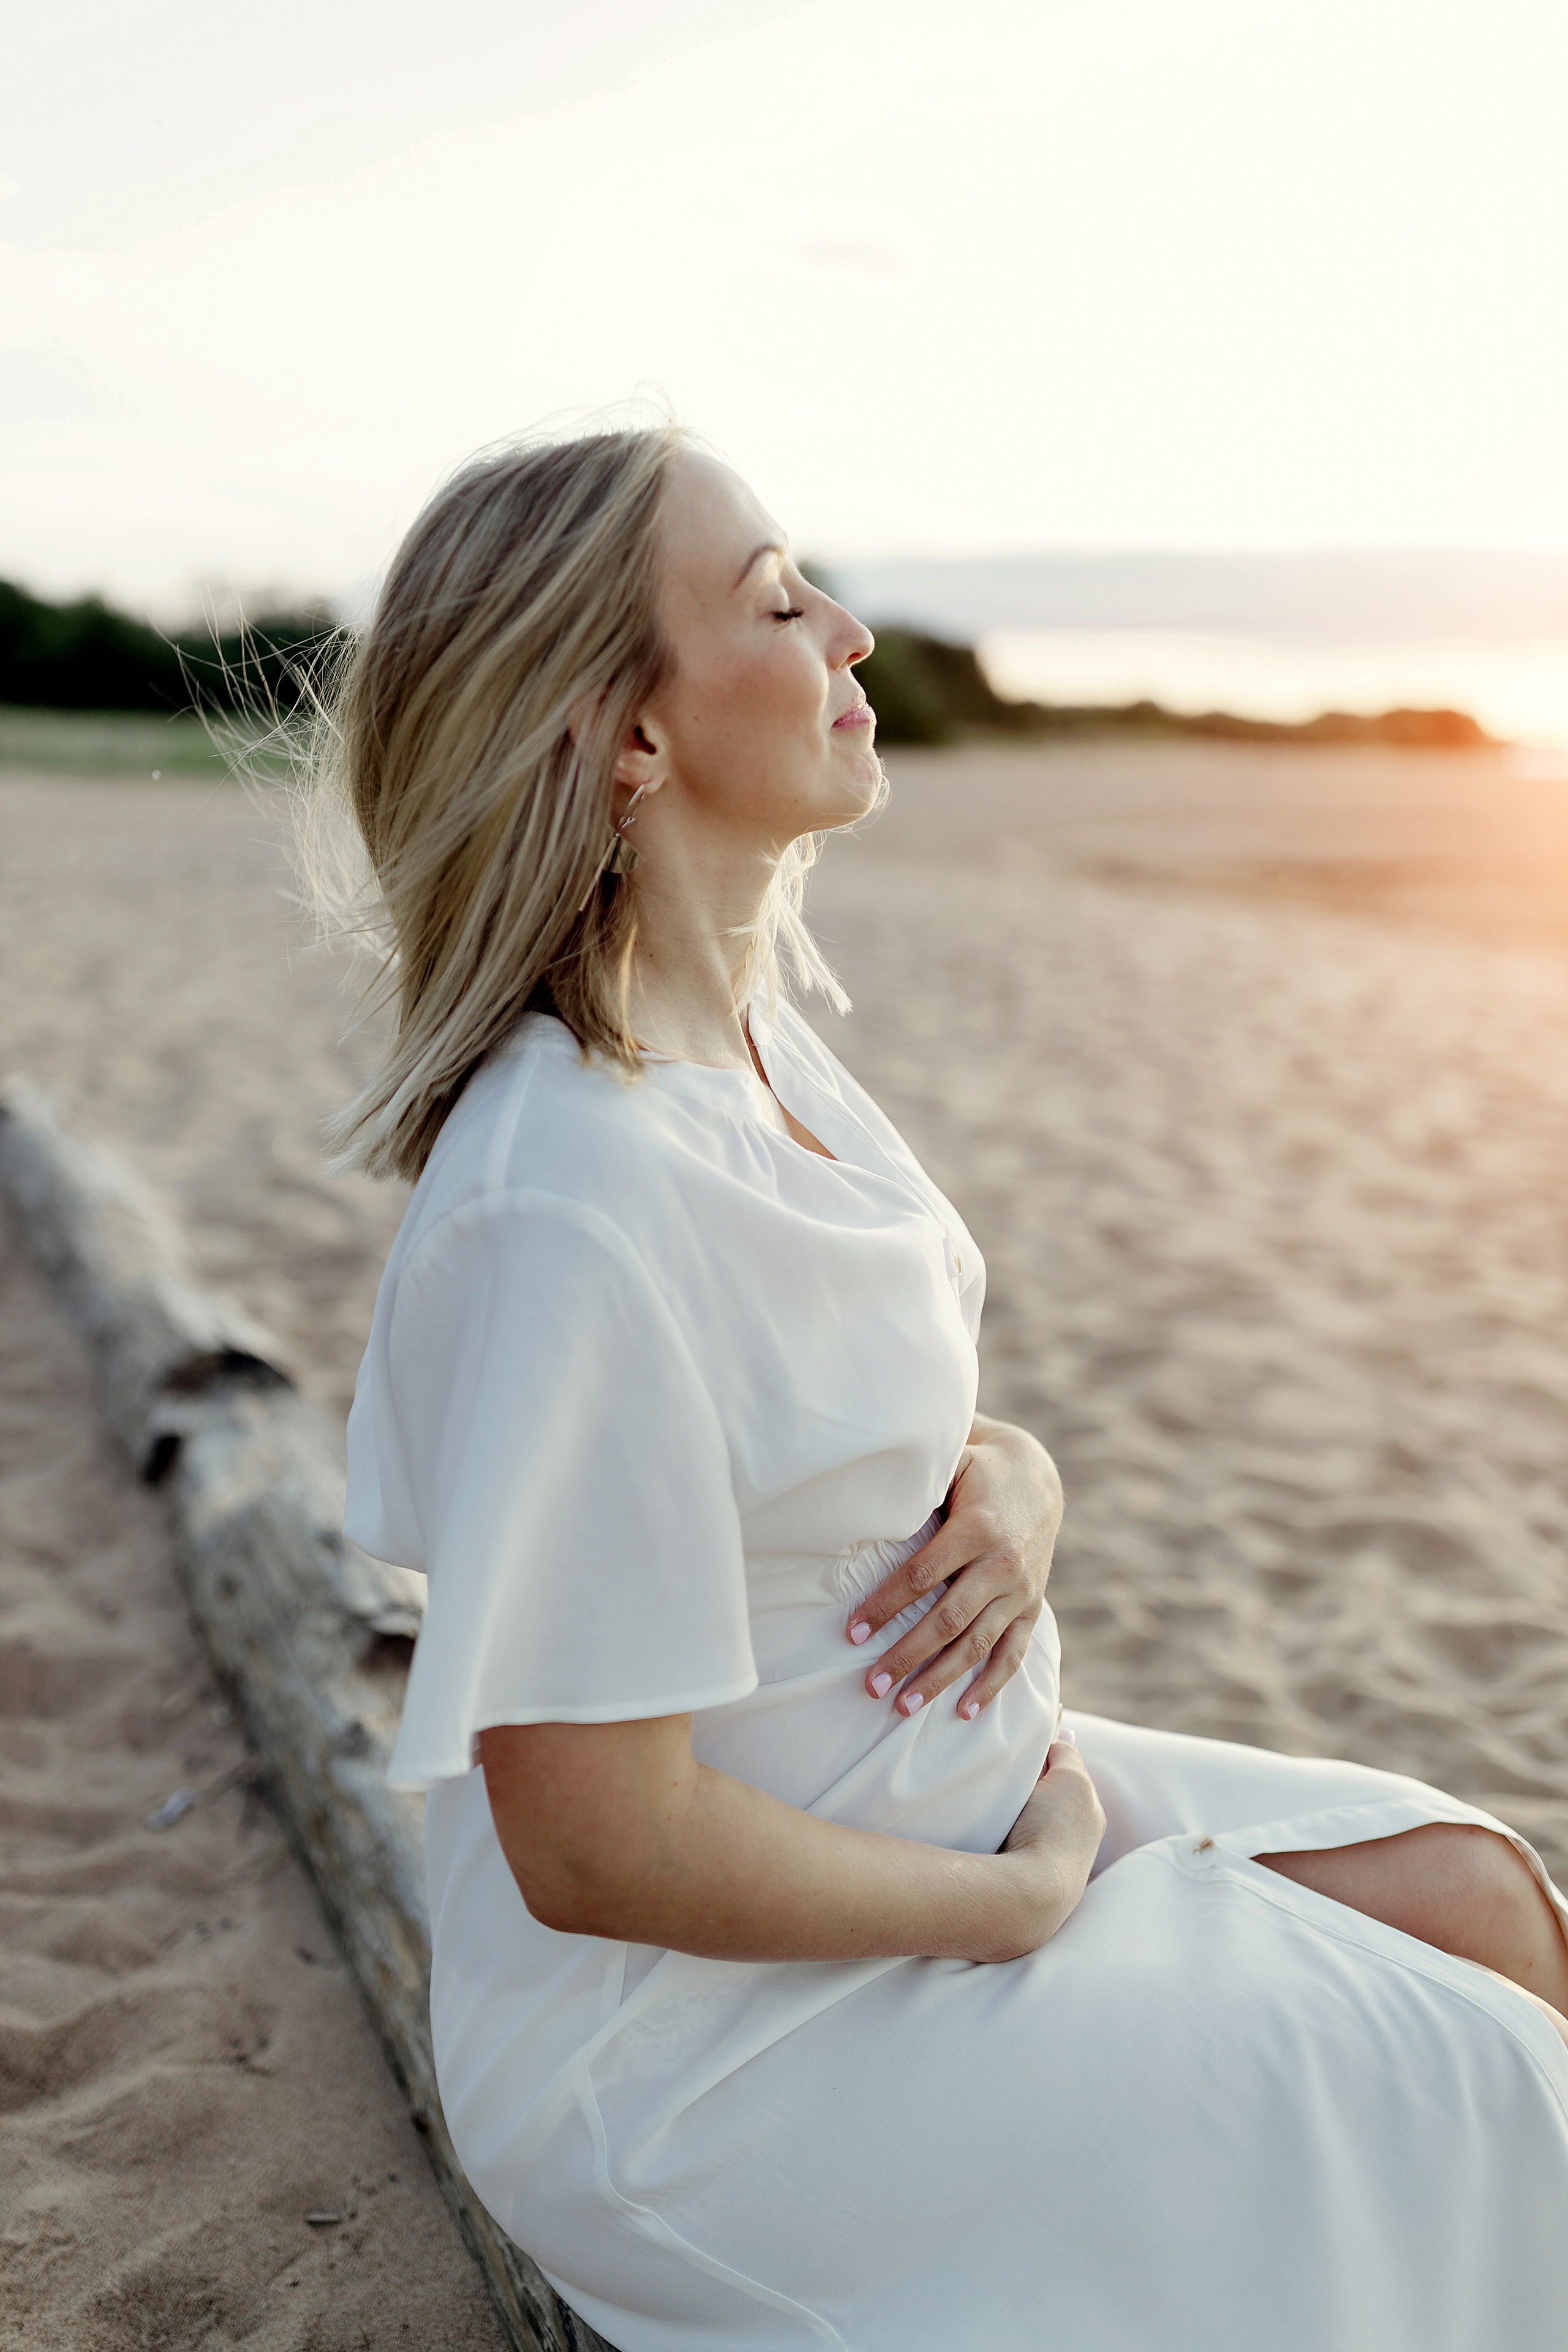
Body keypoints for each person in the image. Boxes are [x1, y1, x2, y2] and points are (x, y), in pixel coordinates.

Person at [331, 424, 1568, 2352]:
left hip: (965, 1818)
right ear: (631, 739)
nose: (848, 631)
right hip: (719, 2042)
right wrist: (1005, 1910)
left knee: (1485, 1899)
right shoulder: (567, 1205)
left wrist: (1022, 1482)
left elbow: (824, 1434)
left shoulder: (751, 1045)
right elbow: (591, 1841)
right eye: (772, 598)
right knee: (1483, 2094)